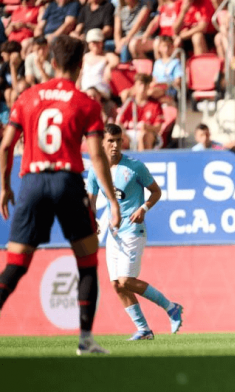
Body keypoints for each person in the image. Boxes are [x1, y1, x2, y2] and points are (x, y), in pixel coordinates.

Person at [0, 36, 121, 355]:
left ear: (52, 62)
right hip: (67, 182)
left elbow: (5, 145)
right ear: (80, 65)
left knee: (16, 264)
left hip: (33, 183)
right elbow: (96, 157)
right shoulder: (86, 103)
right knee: (87, 260)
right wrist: (111, 199)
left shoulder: (27, 96)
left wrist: (4, 186)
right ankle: (85, 340)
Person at [87, 124, 183, 340]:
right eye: (110, 141)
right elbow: (91, 200)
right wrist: (91, 220)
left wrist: (144, 208)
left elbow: (156, 191)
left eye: (118, 140)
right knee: (116, 284)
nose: (115, 145)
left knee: (126, 280)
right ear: (102, 142)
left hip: (133, 229)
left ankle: (171, 307)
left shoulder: (134, 166)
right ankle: (144, 330)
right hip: (114, 234)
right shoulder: (96, 169)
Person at [116, 73, 165, 150]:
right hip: (130, 134)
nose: (142, 88)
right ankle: (120, 161)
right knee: (116, 138)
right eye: (140, 85)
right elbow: (119, 122)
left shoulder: (155, 104)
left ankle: (142, 160)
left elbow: (158, 128)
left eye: (145, 85)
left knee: (144, 136)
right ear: (135, 86)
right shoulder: (129, 102)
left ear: (148, 87)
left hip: (148, 134)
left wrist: (147, 127)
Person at [79, 28, 119, 100]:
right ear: (89, 44)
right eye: (93, 42)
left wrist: (109, 67)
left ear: (102, 43)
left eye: (98, 42)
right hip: (85, 90)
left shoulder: (106, 55)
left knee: (91, 93)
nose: (96, 45)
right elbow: (81, 73)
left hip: (101, 92)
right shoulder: (85, 57)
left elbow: (115, 60)